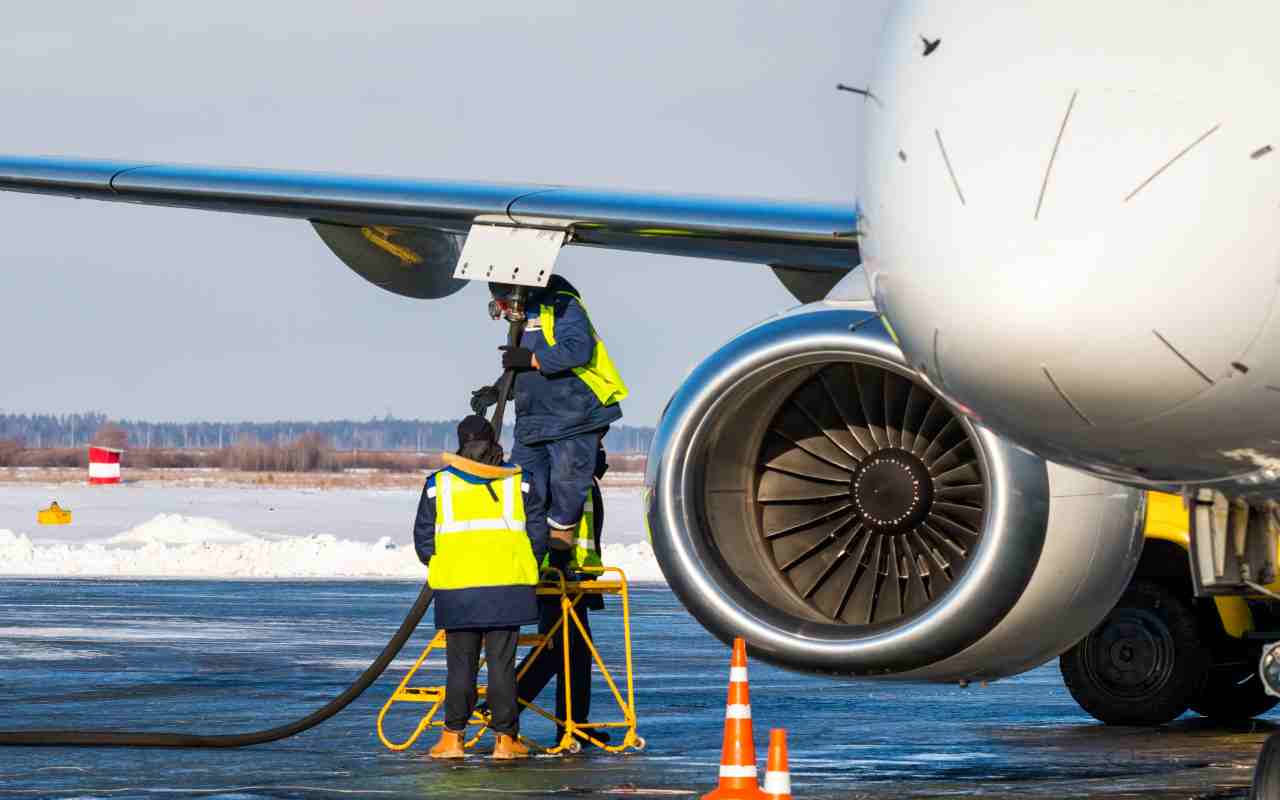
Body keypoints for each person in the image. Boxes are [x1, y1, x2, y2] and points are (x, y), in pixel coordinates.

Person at [413, 415, 546, 760]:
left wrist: (443, 565)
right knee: (502, 666)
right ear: (493, 441)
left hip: (458, 591)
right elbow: (538, 534)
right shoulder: (520, 482)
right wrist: (526, 563)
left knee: (460, 666)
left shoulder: (437, 485)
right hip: (508, 587)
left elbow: (423, 539)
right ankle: (505, 741)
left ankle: (452, 739)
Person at [513, 445, 609, 745]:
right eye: (598, 447)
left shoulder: (584, 482)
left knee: (577, 655)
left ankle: (574, 725)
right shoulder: (564, 481)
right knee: (556, 650)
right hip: (556, 578)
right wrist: (556, 567)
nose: (603, 454)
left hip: (577, 578)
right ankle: (503, 704)